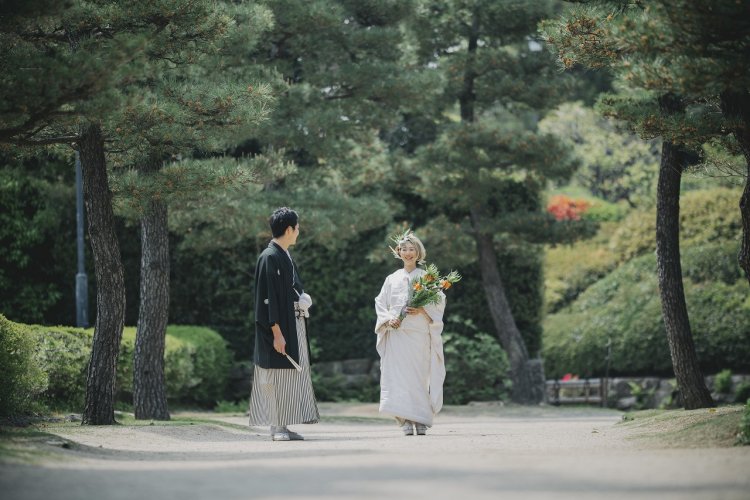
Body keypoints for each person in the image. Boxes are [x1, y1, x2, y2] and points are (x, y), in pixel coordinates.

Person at [248, 207, 319, 441]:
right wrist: (276, 331)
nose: (298, 232)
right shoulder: (269, 257)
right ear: (289, 229)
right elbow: (267, 298)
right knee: (276, 376)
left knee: (288, 376)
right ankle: (276, 426)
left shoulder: (284, 255)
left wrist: (301, 297)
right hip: (277, 327)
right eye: (297, 228)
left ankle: (284, 425)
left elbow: (291, 288)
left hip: (292, 321)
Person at [374, 230, 446, 436]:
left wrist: (422, 309)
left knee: (419, 377)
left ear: (418, 252)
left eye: (412, 249)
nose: (408, 252)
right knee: (398, 378)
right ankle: (403, 419)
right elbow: (381, 303)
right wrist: (390, 319)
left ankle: (420, 418)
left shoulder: (427, 278)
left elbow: (439, 303)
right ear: (398, 252)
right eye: (404, 249)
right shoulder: (391, 278)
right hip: (397, 335)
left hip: (418, 335)